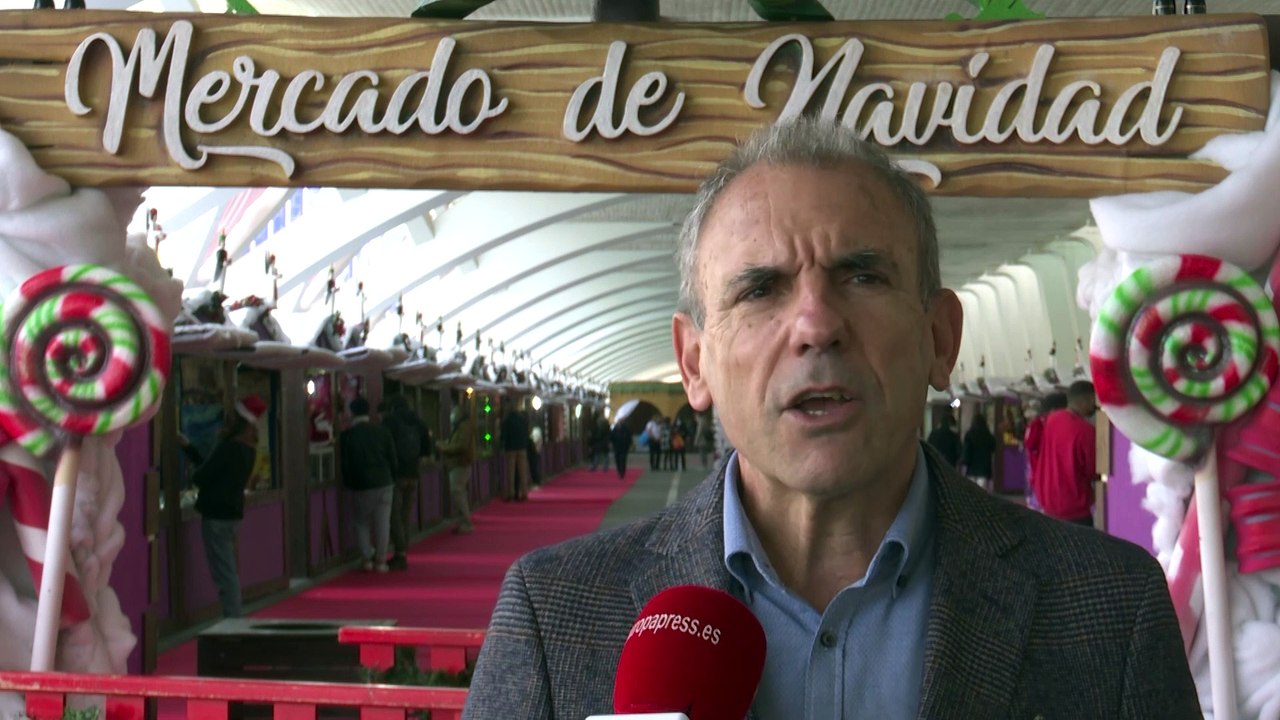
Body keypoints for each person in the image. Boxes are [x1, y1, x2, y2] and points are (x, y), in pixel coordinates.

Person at [462, 119, 1198, 718]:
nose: (816, 323)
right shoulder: (555, 613)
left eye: (862, 275)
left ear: (941, 338)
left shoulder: (1111, 608)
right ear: (694, 364)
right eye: (760, 290)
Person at [193, 394, 266, 618]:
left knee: (225, 573)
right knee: (229, 569)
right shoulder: (249, 450)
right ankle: (233, 615)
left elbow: (202, 476)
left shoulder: (228, 447)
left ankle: (233, 619)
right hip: (233, 513)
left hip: (216, 515)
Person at [340, 396, 397, 572]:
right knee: (383, 523)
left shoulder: (348, 436)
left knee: (362, 522)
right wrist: (391, 478)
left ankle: (367, 558)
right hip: (385, 482)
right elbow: (392, 459)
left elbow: (346, 463)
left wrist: (349, 482)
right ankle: (381, 561)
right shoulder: (382, 432)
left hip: (362, 484)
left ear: (352, 413)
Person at [1035, 381, 1099, 527]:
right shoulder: (1085, 430)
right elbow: (1093, 470)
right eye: (1093, 401)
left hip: (1048, 502)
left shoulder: (1052, 420)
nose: (1093, 407)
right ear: (1086, 401)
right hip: (1074, 507)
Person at [382, 393, 432, 571]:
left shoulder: (389, 421)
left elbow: (385, 447)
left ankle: (400, 551)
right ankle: (403, 550)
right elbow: (427, 447)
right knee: (405, 513)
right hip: (414, 473)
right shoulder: (418, 422)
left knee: (393, 514)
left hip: (395, 474)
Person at [1024, 391, 1068, 511]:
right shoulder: (1040, 425)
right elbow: (1031, 445)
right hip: (1046, 476)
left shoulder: (1036, 425)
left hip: (1040, 476)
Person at [438, 401, 476, 534]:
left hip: (460, 463)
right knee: (460, 493)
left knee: (457, 492)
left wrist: (444, 447)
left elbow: (461, 446)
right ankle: (464, 521)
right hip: (460, 463)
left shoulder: (464, 427)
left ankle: (467, 522)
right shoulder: (462, 426)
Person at [500, 403, 531, 501]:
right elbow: (528, 432)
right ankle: (524, 493)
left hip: (510, 448)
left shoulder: (507, 420)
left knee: (511, 472)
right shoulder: (523, 420)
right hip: (522, 447)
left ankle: (511, 493)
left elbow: (503, 435)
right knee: (523, 471)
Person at [961, 413, 997, 491]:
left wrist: (964, 463)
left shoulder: (969, 434)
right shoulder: (987, 435)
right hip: (983, 468)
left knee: (971, 490)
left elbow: (966, 450)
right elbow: (993, 448)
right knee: (981, 490)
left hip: (971, 468)